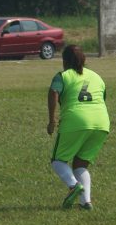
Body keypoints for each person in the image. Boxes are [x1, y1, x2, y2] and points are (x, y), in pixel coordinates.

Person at [47, 45, 110, 210]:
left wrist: (52, 120)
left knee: (58, 160)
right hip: (102, 122)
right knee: (80, 164)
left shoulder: (63, 76)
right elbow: (103, 97)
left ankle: (73, 186)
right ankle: (85, 202)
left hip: (76, 120)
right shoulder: (97, 76)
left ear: (64, 61)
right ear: (84, 59)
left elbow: (53, 92)